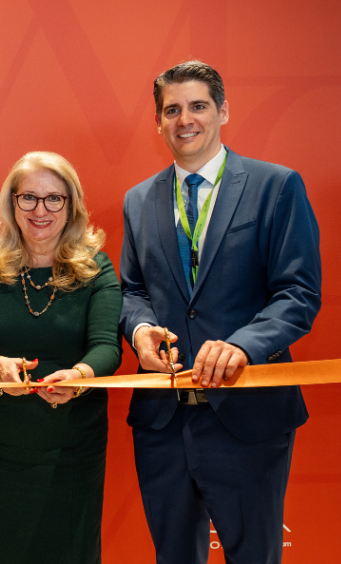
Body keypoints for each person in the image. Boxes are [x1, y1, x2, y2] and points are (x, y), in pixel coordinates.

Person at [120, 60, 321, 564]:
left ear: (223, 111)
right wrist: (139, 329)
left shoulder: (276, 186)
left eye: (198, 106)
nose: (184, 119)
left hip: (248, 417)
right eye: (172, 110)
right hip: (163, 422)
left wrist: (242, 346)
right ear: (158, 122)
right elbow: (131, 291)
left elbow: (298, 292)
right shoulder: (138, 200)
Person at [0, 151, 121, 564]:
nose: (40, 210)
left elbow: (107, 347)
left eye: (54, 198)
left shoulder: (96, 268)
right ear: (12, 203)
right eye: (28, 197)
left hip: (73, 441)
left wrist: (79, 375)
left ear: (71, 205)